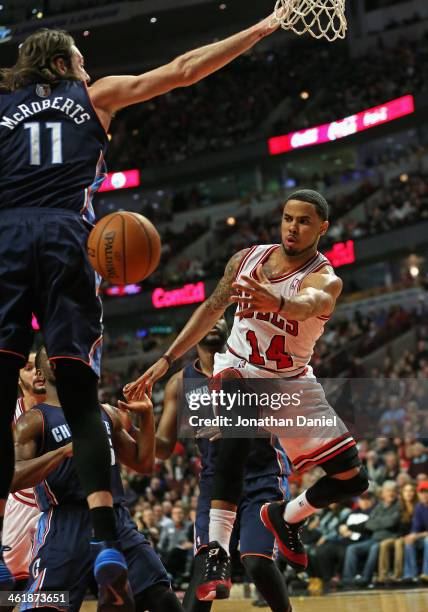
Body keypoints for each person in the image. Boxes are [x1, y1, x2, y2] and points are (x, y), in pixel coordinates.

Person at [0, 11, 284, 589]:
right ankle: (107, 541)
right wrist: (260, 29)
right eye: (80, 59)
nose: (88, 67)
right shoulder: (95, 95)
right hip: (64, 236)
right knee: (79, 391)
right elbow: (182, 71)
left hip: (5, 236)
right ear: (63, 64)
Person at [125, 190, 369, 599]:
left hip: (291, 382)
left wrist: (276, 300)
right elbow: (209, 309)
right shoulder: (246, 259)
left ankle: (286, 516)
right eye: (288, 218)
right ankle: (218, 551)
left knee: (351, 480)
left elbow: (310, 303)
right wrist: (166, 361)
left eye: (304, 221)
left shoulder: (325, 277)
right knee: (237, 421)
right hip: (238, 368)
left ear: (322, 228)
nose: (293, 226)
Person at [125, 318, 292, 610]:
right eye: (208, 318)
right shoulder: (180, 382)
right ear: (193, 332)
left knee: (255, 561)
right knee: (206, 570)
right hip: (215, 484)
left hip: (261, 476)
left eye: (220, 318)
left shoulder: (251, 366)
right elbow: (162, 448)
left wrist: (234, 425)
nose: (215, 322)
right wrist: (136, 424)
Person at [9, 345, 184, 611]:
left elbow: (143, 463)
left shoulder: (105, 412)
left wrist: (147, 416)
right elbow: (13, 477)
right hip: (65, 526)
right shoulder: (33, 421)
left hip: (116, 522)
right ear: (42, 377)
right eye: (52, 360)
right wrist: (62, 452)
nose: (61, 361)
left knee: (162, 599)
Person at [1, 354, 46, 597]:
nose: (36, 373)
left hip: (53, 509)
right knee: (6, 590)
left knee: (54, 589)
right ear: (18, 378)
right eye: (29, 368)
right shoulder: (9, 413)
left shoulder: (63, 410)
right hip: (18, 504)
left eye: (39, 367)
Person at [402, 480, 428, 582]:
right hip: (423, 537)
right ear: (418, 494)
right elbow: (415, 528)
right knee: (409, 541)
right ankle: (411, 575)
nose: (424, 495)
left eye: (426, 491)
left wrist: (417, 535)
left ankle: (426, 574)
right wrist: (412, 536)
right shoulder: (419, 507)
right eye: (421, 492)